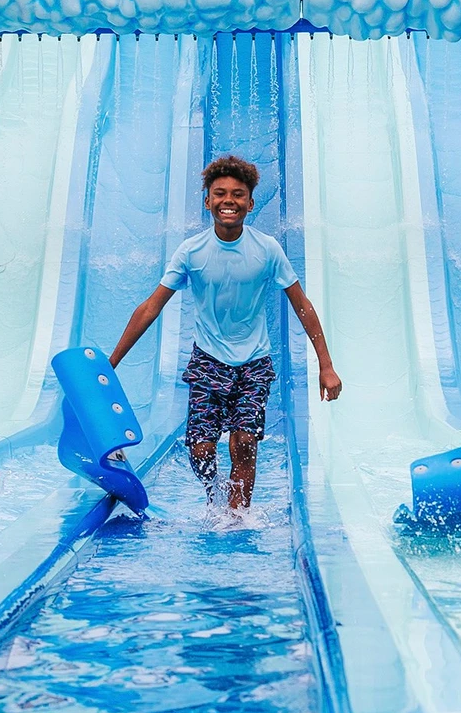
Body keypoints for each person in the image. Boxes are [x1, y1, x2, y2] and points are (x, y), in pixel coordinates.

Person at [109, 155, 341, 509]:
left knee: (243, 441)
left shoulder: (267, 250)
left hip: (254, 363)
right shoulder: (191, 251)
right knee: (201, 449)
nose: (228, 201)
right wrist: (112, 362)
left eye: (238, 194)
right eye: (220, 193)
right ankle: (216, 493)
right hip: (208, 361)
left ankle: (237, 516)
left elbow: (302, 306)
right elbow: (151, 307)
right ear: (207, 201)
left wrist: (326, 365)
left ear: (250, 203)